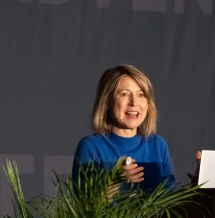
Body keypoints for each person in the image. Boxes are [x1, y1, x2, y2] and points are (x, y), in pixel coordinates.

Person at [72, 65, 177, 198]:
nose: (134, 103)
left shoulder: (158, 145)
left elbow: (171, 201)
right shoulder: (91, 146)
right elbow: (85, 204)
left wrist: (199, 183)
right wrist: (115, 180)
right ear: (107, 102)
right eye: (124, 94)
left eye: (141, 94)